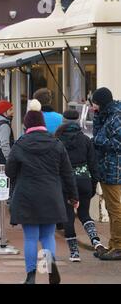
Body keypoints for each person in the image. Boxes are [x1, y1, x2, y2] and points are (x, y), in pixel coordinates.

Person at [5, 99, 78, 284]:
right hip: (51, 194)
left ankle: (30, 276)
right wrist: (73, 196)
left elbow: (9, 171)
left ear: (26, 125)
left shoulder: (20, 144)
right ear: (43, 124)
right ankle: (49, 264)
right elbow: (67, 172)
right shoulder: (56, 144)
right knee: (47, 236)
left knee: (30, 237)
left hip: (27, 195)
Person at [55, 110, 109, 262]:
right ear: (78, 121)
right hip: (84, 180)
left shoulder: (57, 140)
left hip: (65, 183)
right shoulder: (86, 140)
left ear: (63, 121)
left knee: (68, 217)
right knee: (84, 214)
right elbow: (93, 164)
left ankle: (74, 253)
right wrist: (93, 185)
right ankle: (96, 240)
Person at [91, 87, 121, 261]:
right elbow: (99, 132)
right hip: (107, 167)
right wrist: (97, 115)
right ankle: (113, 244)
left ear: (102, 103)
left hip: (113, 169)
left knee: (115, 208)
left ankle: (118, 246)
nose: (94, 106)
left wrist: (96, 141)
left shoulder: (116, 117)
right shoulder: (108, 114)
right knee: (112, 208)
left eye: (95, 103)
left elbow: (115, 143)